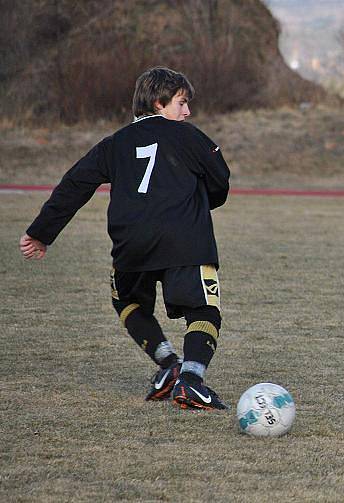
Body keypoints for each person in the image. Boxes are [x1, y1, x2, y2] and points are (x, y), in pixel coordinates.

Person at [19, 67, 230, 410]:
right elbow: (220, 180)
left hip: (131, 243)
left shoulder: (114, 143)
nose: (187, 111)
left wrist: (41, 233)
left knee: (128, 302)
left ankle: (168, 364)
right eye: (181, 102)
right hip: (184, 239)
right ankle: (190, 381)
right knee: (204, 309)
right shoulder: (188, 135)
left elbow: (76, 184)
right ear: (160, 103)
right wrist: (201, 199)